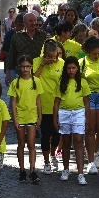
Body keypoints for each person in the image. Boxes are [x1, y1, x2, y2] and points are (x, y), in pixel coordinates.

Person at [54, 56, 92, 185]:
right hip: (64, 113)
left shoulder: (83, 82)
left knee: (79, 140)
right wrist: (55, 119)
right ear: (65, 69)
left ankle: (80, 173)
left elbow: (87, 103)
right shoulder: (61, 83)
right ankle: (65, 169)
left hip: (79, 112)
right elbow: (56, 103)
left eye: (73, 68)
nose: (71, 71)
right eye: (69, 68)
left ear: (77, 68)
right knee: (65, 141)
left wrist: (88, 120)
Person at [8, 55, 43, 184]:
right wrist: (15, 119)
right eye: (23, 66)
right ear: (19, 67)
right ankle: (22, 170)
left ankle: (32, 170)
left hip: (32, 116)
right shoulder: (15, 82)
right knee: (21, 144)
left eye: (27, 66)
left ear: (31, 67)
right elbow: (13, 102)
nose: (25, 69)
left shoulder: (36, 81)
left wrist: (40, 116)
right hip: (20, 116)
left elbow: (38, 99)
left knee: (31, 143)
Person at [79, 38, 99, 176]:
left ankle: (94, 151)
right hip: (89, 96)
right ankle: (91, 161)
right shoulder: (82, 63)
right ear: (88, 52)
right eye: (94, 54)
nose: (97, 56)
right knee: (90, 129)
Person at [34, 40, 64, 173]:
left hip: (59, 104)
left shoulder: (62, 63)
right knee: (46, 134)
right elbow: (32, 80)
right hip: (43, 103)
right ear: (44, 54)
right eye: (49, 56)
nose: (53, 59)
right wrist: (42, 65)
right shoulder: (37, 61)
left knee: (57, 133)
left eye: (55, 56)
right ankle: (46, 162)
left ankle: (53, 155)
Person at [6, 13, 48, 85]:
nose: (34, 23)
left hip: (39, 72)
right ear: (25, 23)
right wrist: (8, 74)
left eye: (35, 20)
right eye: (30, 21)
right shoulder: (17, 36)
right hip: (21, 73)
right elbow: (11, 56)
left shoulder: (43, 35)